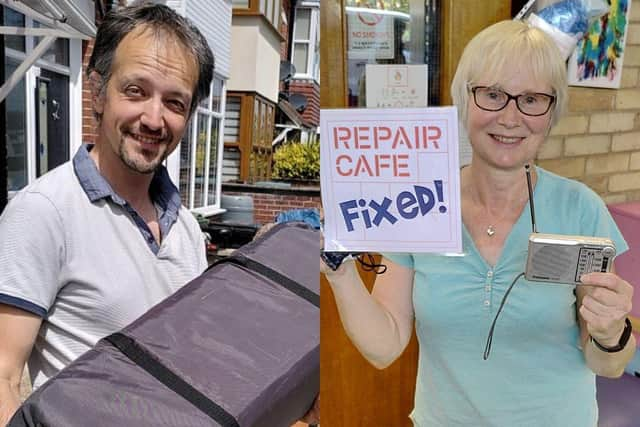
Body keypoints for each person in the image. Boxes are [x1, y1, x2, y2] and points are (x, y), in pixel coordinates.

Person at [322, 19, 636, 427]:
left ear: (551, 112)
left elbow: (607, 365)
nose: (510, 117)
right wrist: (339, 271)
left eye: (532, 99)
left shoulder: (581, 209)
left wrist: (611, 333)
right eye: (492, 94)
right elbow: (385, 345)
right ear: (465, 100)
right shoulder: (419, 204)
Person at [0, 3, 213, 424]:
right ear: (98, 92)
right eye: (136, 91)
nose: (154, 119)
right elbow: (2, 376)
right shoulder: (44, 212)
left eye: (174, 102)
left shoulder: (186, 229)